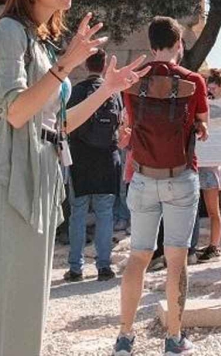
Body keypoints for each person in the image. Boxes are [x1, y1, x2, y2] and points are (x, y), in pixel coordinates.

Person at [0, 0, 144, 356]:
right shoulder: (8, 31)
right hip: (7, 173)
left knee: (28, 300)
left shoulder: (41, 43)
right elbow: (14, 111)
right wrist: (65, 65)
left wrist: (107, 90)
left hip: (43, 171)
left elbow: (59, 125)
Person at [113, 16, 209, 356]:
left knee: (138, 256)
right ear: (179, 44)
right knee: (176, 259)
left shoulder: (133, 81)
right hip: (180, 176)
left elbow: (128, 124)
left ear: (151, 45)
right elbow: (201, 125)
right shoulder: (193, 81)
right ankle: (174, 339)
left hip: (142, 176)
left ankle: (125, 337)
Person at [64, 50, 124, 282]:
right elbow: (120, 124)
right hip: (107, 158)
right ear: (104, 65)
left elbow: (66, 124)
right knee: (105, 213)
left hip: (80, 158)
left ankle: (75, 268)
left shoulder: (76, 91)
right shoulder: (113, 93)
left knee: (78, 213)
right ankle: (104, 266)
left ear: (85, 64)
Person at [192, 72, 221, 263]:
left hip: (211, 163)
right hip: (199, 160)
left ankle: (214, 245)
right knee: (194, 208)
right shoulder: (201, 105)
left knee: (213, 209)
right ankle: (195, 245)